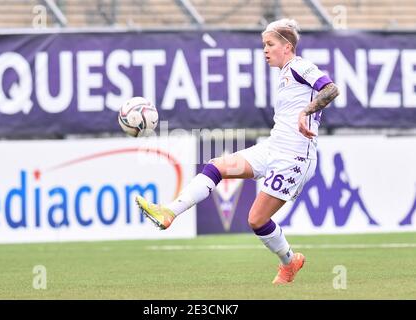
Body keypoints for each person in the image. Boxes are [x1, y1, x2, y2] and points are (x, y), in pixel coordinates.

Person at [136, 18, 339, 285]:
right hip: (273, 147)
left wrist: (306, 111)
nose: (265, 50)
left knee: (256, 220)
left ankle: (290, 262)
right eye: (263, 44)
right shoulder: (286, 73)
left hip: (295, 157)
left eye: (270, 44)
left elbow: (331, 89)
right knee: (217, 166)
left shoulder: (301, 66)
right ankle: (169, 213)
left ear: (287, 46)